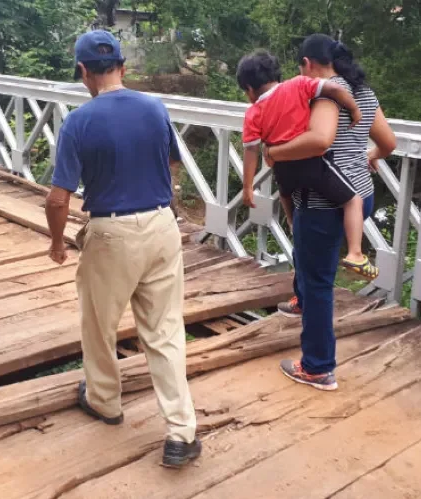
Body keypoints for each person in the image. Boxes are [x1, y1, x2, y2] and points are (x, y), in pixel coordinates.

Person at [44, 30, 201, 468]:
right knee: (165, 330)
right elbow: (171, 161)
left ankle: (105, 403)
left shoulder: (79, 121)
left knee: (99, 324)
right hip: (160, 225)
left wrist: (57, 242)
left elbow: (58, 198)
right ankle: (181, 433)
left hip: (111, 233)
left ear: (82, 72)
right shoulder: (154, 106)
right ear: (123, 67)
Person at [262, 34, 397, 390]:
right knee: (314, 270)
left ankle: (317, 366)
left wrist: (275, 153)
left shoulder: (323, 92)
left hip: (324, 203)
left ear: (307, 64)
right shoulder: (362, 90)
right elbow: (388, 143)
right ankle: (302, 301)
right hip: (360, 196)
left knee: (320, 282)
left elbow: (320, 140)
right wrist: (367, 157)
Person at [236, 50, 378, 280]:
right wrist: (352, 108)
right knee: (353, 200)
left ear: (249, 89)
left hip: (282, 168)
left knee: (285, 194)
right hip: (310, 163)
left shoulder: (253, 112)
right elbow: (333, 89)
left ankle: (293, 226)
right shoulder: (298, 84)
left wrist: (247, 187)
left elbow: (251, 149)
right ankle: (355, 253)